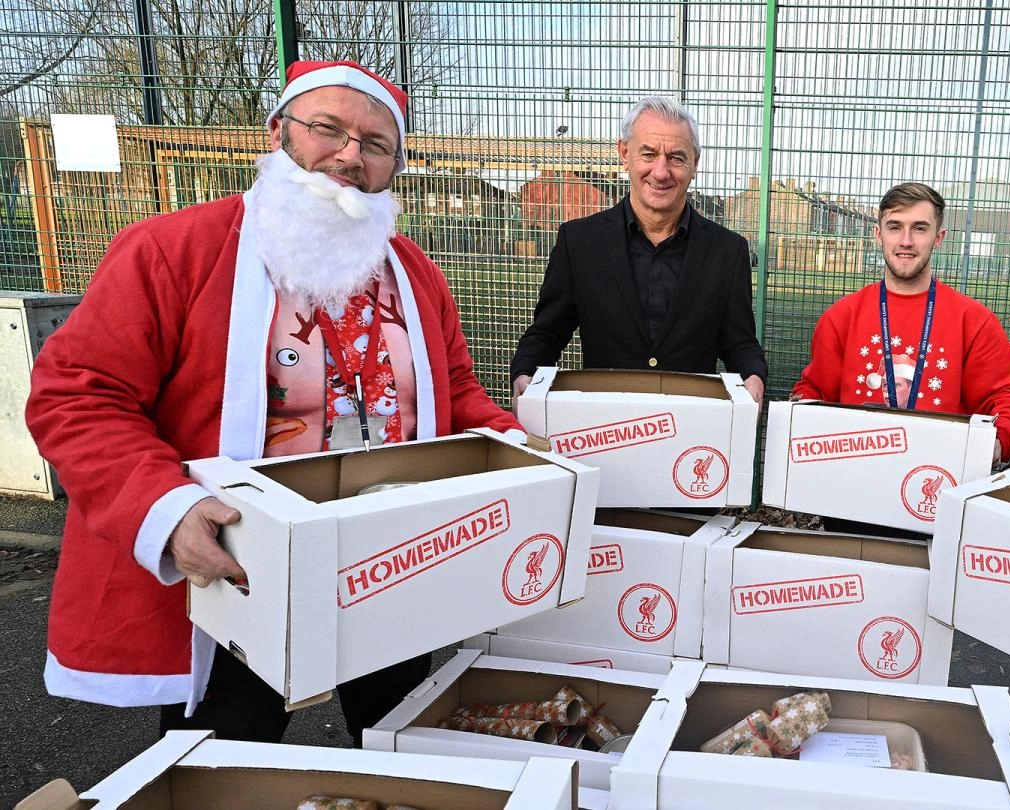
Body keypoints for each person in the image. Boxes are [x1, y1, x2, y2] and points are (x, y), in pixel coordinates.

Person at [26, 60, 524, 746]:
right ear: (278, 132)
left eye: (377, 144)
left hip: (396, 560)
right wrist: (165, 508)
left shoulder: (416, 272)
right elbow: (78, 395)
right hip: (240, 568)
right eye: (329, 129)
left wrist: (517, 445)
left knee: (409, 745)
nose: (351, 155)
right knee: (228, 759)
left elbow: (455, 389)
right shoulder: (173, 251)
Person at [509, 96, 767, 402]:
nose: (661, 171)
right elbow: (547, 333)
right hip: (603, 431)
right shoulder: (578, 243)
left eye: (676, 157)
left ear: (694, 164)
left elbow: (739, 343)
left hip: (690, 431)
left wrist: (754, 376)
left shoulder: (727, 252)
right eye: (648, 154)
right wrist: (524, 372)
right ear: (625, 153)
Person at [792, 182, 1010, 464]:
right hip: (853, 479)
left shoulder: (974, 321)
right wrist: (799, 413)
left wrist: (998, 442)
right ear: (878, 235)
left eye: (919, 228)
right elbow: (814, 392)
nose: (906, 240)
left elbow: (1005, 400)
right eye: (894, 227)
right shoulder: (841, 317)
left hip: (937, 479)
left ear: (938, 237)